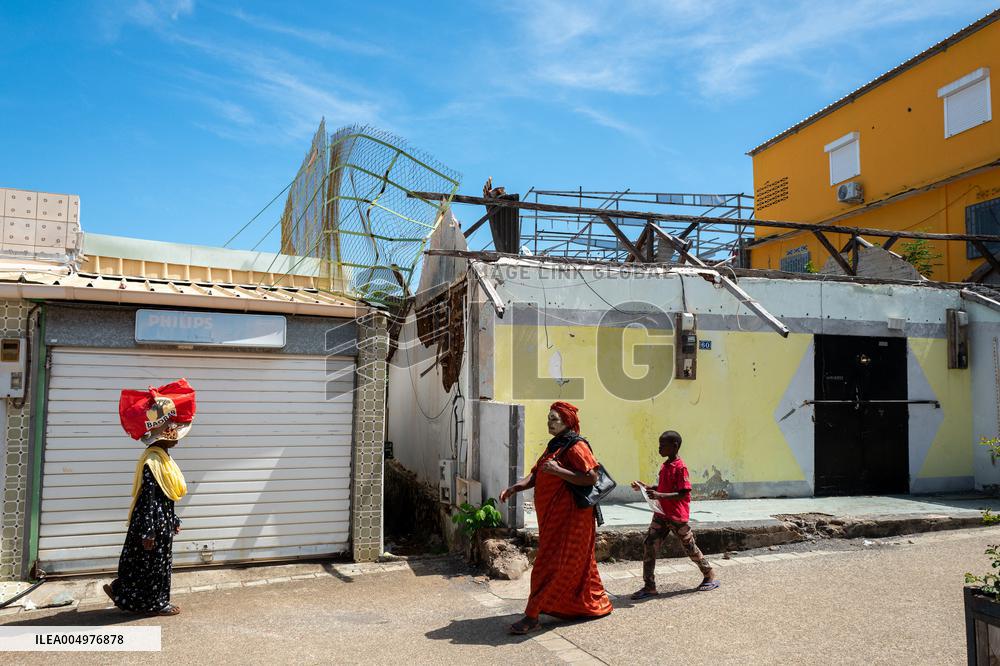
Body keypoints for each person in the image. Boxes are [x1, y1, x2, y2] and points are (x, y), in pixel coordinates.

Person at [499, 401, 613, 634]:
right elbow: (536, 475)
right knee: (571, 563)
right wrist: (514, 488)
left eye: (554, 418)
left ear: (567, 422)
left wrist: (558, 471)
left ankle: (532, 616)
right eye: (548, 418)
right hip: (552, 519)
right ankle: (583, 604)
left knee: (549, 564)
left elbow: (591, 477)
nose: (549, 422)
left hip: (572, 518)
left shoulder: (576, 446)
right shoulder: (555, 445)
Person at [103, 379, 196, 616]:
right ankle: (154, 603)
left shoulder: (160, 457)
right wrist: (148, 531)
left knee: (145, 565)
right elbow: (150, 499)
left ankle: (123, 591)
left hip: (159, 521)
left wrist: (173, 521)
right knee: (152, 567)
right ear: (163, 435)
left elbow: (166, 497)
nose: (177, 437)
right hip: (152, 523)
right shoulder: (153, 461)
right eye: (174, 433)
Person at [630, 430, 718, 599]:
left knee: (689, 547)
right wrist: (646, 487)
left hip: (676, 516)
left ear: (674, 446)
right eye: (659, 445)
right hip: (661, 514)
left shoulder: (680, 467)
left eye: (663, 445)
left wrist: (660, 495)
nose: (659, 448)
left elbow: (684, 492)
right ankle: (649, 586)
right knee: (649, 545)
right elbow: (664, 488)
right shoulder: (665, 466)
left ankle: (709, 574)